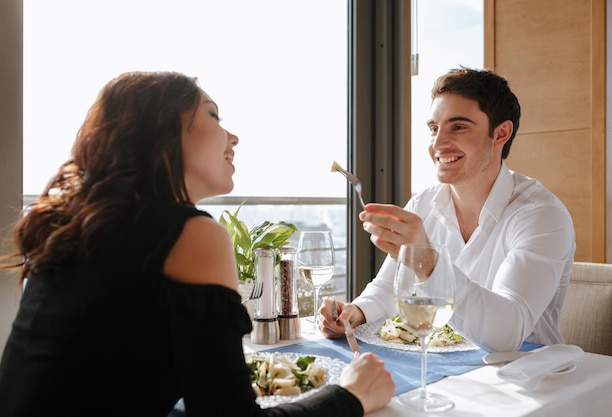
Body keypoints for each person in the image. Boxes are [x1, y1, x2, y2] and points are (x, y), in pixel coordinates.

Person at [0, 71, 394, 416]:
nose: (233, 136)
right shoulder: (191, 233)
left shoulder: (82, 223)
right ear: (162, 129)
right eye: (213, 115)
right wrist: (352, 394)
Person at [319, 67, 576, 353]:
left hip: (526, 380)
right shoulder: (422, 205)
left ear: (501, 133)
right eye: (433, 129)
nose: (437, 144)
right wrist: (356, 312)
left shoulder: (540, 215)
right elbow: (389, 289)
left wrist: (427, 264)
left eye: (458, 127)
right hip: (442, 370)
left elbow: (507, 335)